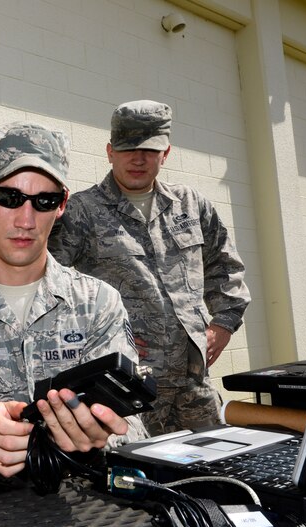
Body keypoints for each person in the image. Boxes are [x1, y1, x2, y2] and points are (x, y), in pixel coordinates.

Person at [0, 122, 149, 505]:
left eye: (44, 201)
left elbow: (134, 428)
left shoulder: (98, 303)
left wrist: (105, 433)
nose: (26, 220)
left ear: (63, 204)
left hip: (86, 515)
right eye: (9, 197)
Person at [49, 100, 251, 435]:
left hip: (194, 384)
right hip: (129, 389)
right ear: (110, 151)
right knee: (141, 479)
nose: (138, 159)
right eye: (128, 149)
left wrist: (223, 324)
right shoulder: (81, 212)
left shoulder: (190, 205)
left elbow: (224, 267)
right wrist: (95, 338)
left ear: (166, 152)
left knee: (211, 476)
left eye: (149, 149)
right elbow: (50, 287)